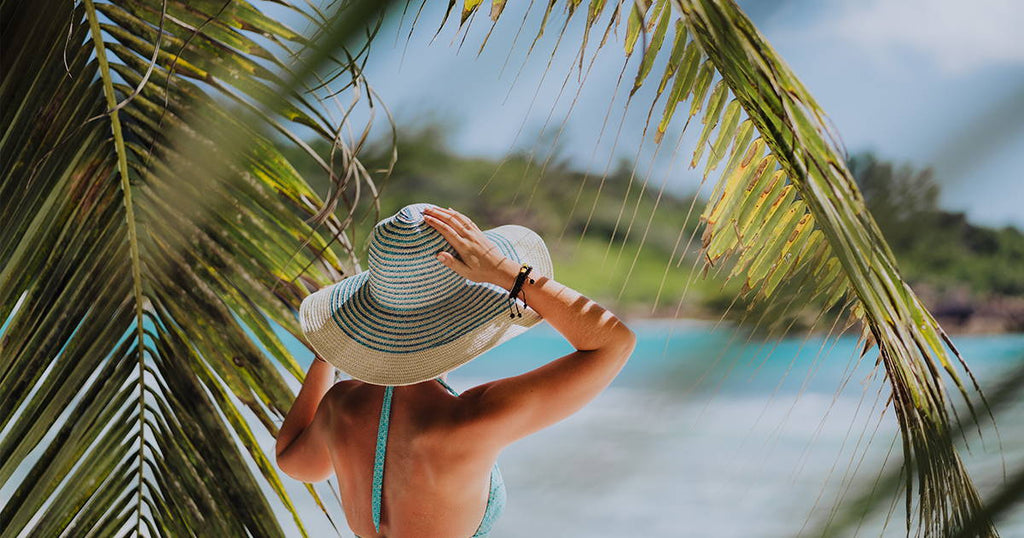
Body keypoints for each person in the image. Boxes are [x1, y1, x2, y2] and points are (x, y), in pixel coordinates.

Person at [275, 203, 636, 537]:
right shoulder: (472, 419)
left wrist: (329, 353)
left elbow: (294, 461)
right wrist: (503, 271)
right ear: (465, 317)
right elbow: (613, 343)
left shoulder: (342, 405)